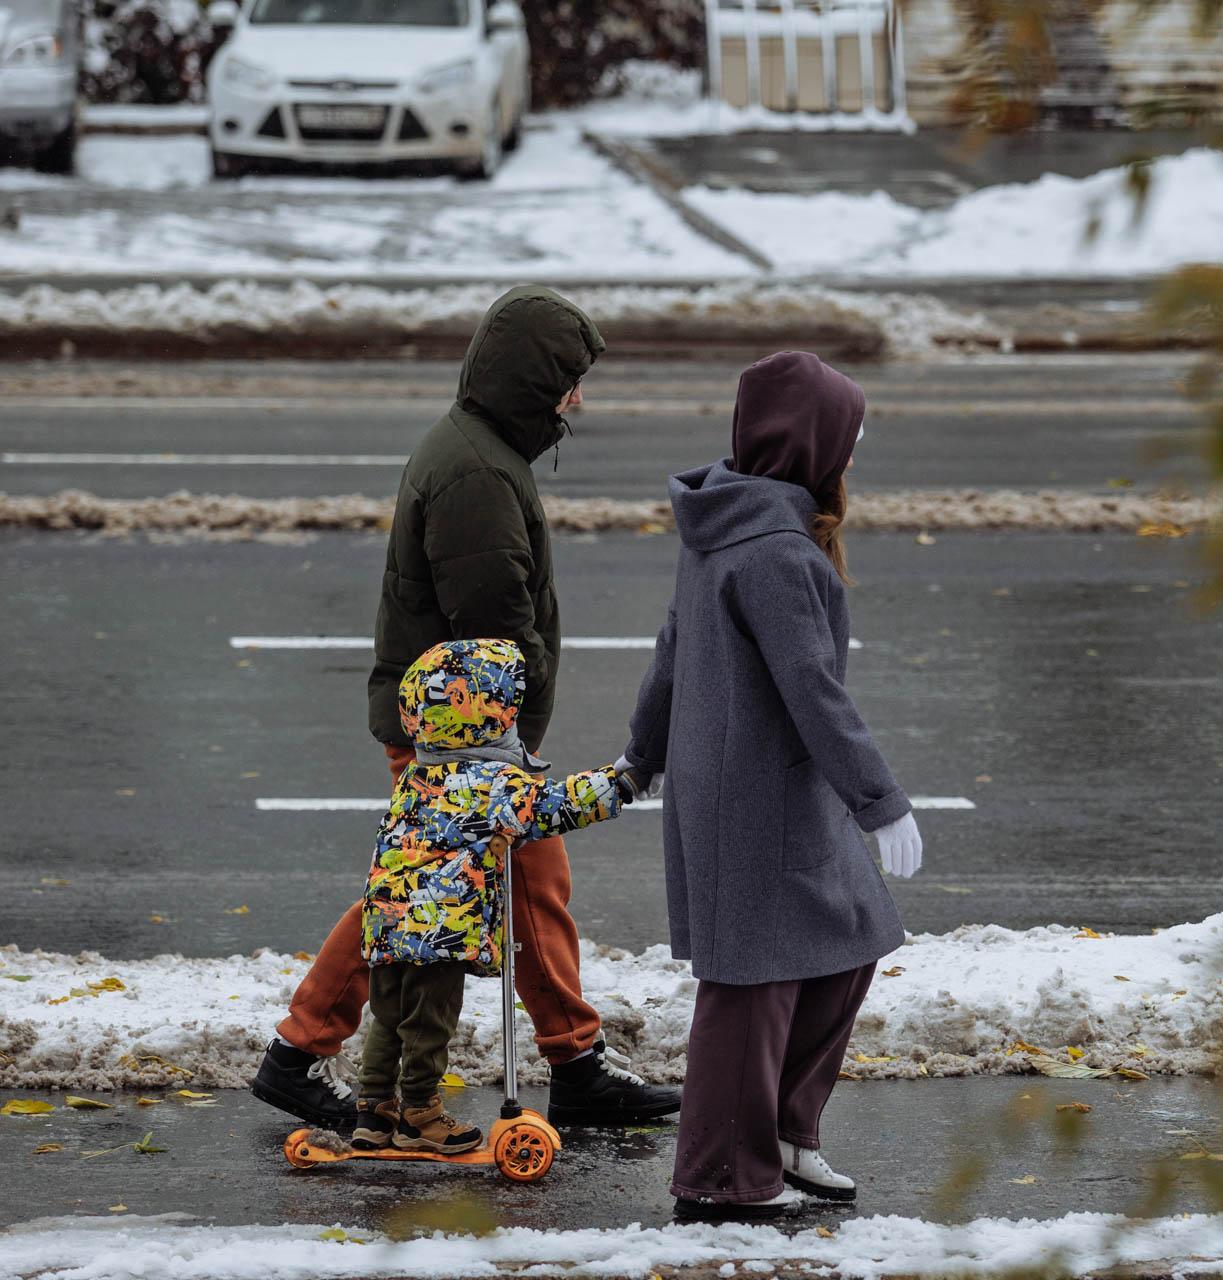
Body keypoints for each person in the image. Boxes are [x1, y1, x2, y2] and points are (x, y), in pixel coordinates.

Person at [251, 285, 680, 1131]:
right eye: (568, 380)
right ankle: (302, 1053)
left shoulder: (481, 449)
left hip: (464, 732)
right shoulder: (477, 472)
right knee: (425, 894)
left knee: (450, 889)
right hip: (463, 737)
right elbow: (495, 625)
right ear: (529, 379)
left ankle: (571, 1057)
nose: (578, 398)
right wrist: (508, 741)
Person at [620, 350, 925, 1224]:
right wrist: (883, 801)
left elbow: (670, 651)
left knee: (853, 934)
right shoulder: (776, 551)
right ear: (813, 447)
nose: (854, 458)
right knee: (749, 987)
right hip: (756, 800)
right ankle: (723, 1178)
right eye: (849, 440)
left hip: (766, 794)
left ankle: (786, 1134)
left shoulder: (729, 523)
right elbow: (814, 692)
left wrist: (643, 755)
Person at [352, 638, 628, 1153]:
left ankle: (373, 1110)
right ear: (490, 713)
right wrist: (621, 783)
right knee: (429, 1022)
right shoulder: (489, 780)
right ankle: (419, 1114)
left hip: (387, 919)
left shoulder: (419, 773)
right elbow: (551, 806)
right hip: (442, 926)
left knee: (388, 1014)